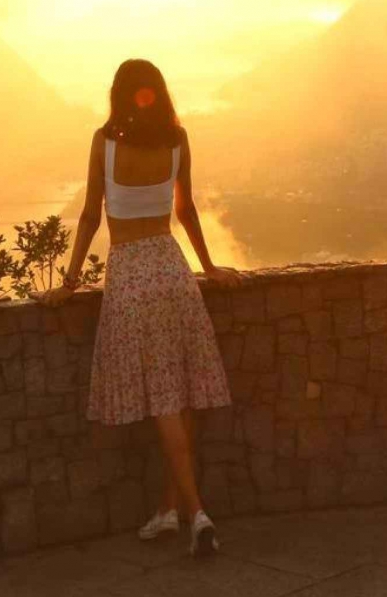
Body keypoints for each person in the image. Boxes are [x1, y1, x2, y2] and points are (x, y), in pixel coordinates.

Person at [40, 59, 239, 557]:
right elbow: (186, 210)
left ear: (119, 95)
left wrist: (68, 282)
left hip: (131, 275)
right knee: (182, 393)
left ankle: (196, 513)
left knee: (166, 401)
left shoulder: (104, 144)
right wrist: (209, 268)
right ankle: (169, 509)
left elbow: (89, 215)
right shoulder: (178, 140)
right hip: (173, 272)